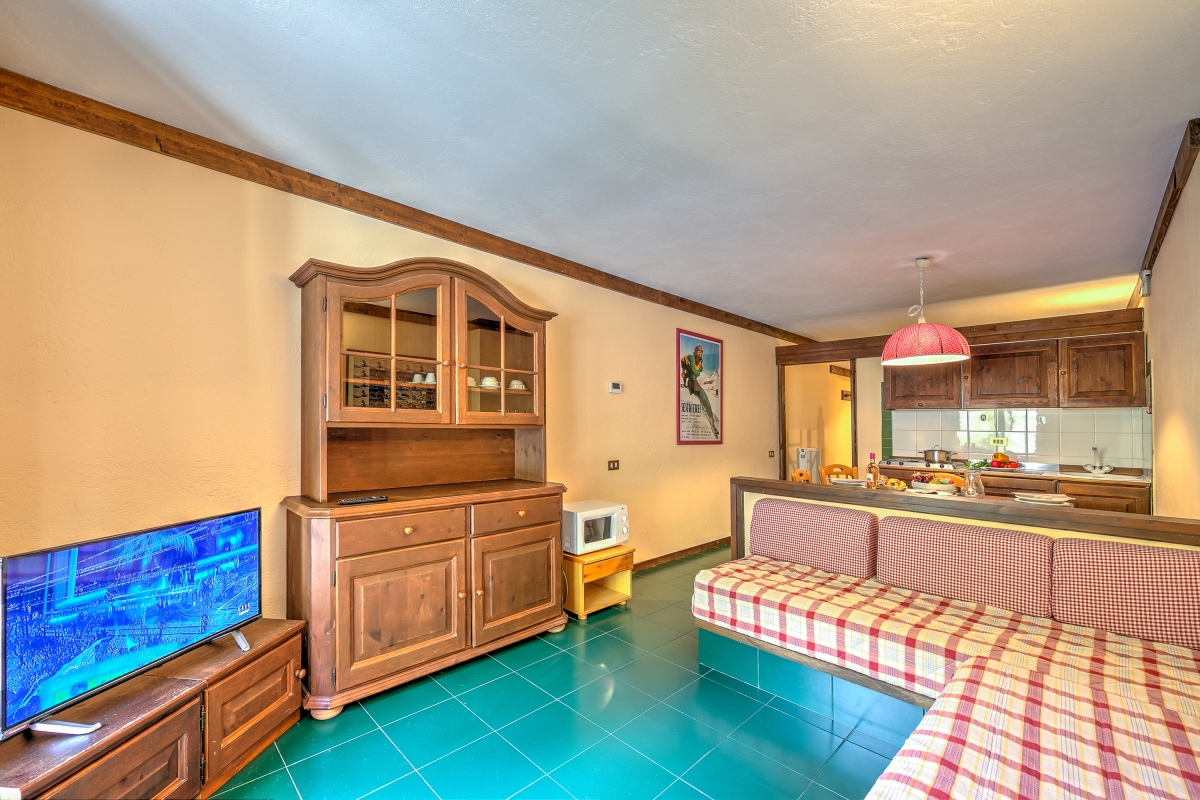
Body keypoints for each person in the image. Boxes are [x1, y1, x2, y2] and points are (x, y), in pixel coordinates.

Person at [680, 344, 720, 437]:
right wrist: (683, 372)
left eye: (701, 351)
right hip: (690, 382)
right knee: (703, 399)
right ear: (695, 352)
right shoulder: (690, 358)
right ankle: (713, 426)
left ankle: (713, 426)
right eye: (699, 351)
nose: (701, 353)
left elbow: (696, 374)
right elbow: (682, 360)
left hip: (694, 382)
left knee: (706, 402)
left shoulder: (701, 366)